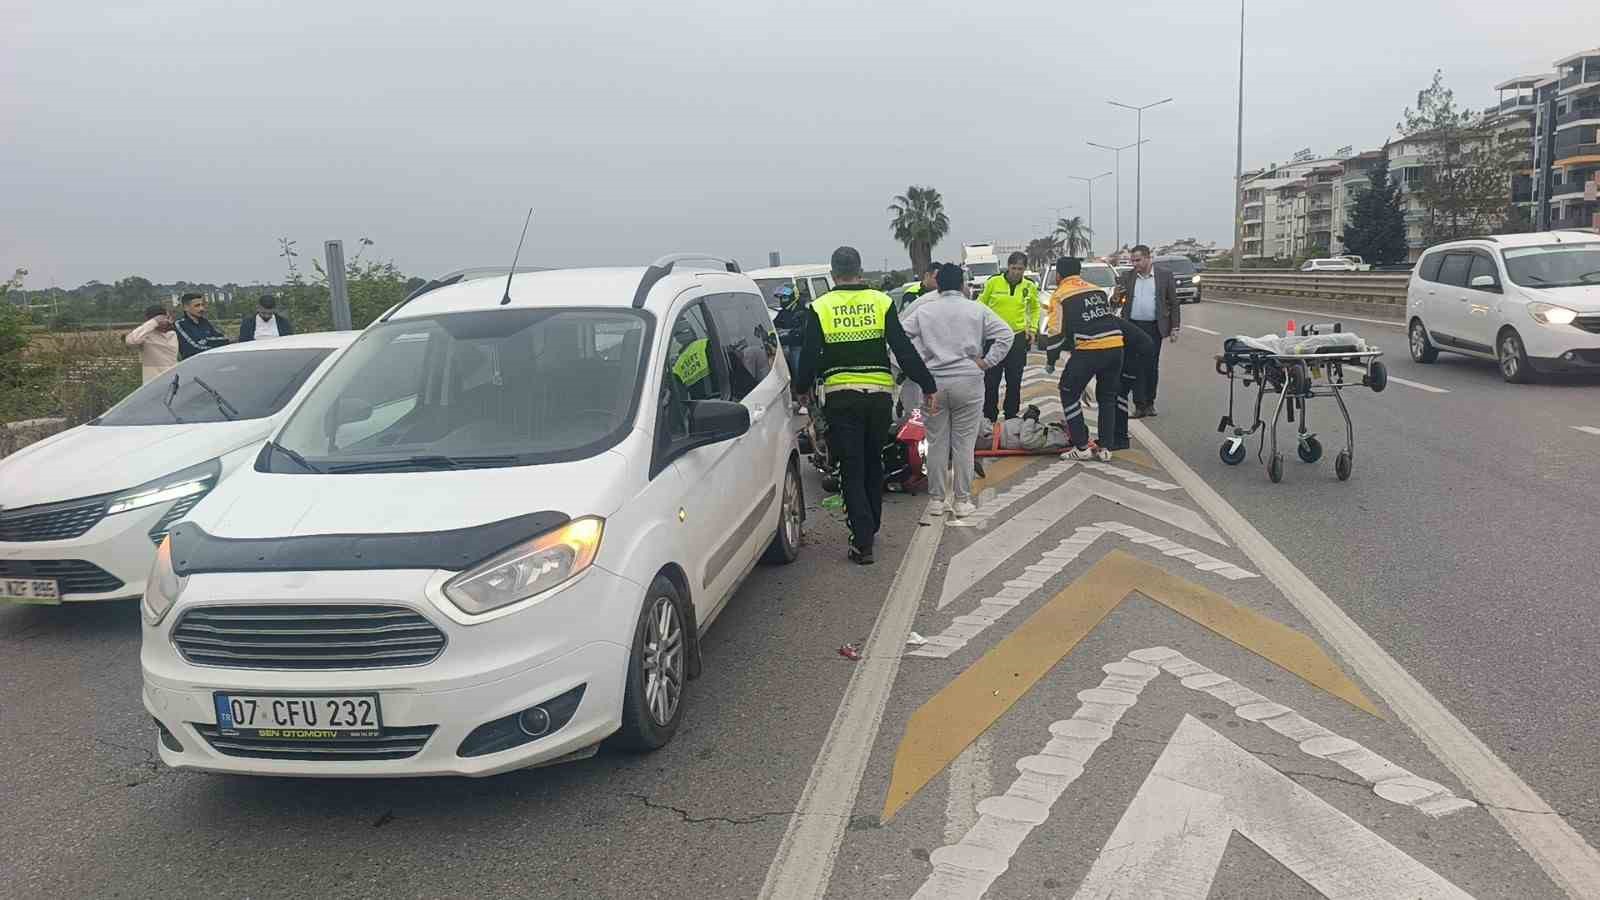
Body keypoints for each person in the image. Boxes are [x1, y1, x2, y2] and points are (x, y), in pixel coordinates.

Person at [797, 246, 938, 565]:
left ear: (833, 274)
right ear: (860, 271)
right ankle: (870, 525)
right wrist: (928, 385)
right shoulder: (881, 301)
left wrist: (801, 390)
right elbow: (903, 350)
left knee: (851, 467)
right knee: (874, 461)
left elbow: (808, 356)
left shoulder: (820, 307)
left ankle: (862, 541)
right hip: (878, 398)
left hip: (841, 397)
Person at [900, 263, 1012, 519]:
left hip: (934, 384)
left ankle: (937, 500)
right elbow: (1005, 335)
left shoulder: (924, 311)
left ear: (937, 284)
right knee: (964, 443)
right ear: (962, 284)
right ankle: (962, 501)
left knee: (937, 442)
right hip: (969, 381)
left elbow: (899, 338)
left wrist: (918, 365)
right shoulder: (977, 309)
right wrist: (986, 362)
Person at [1051, 257, 1122, 461]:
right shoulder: (1097, 290)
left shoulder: (1060, 294)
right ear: (1079, 272)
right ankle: (1106, 448)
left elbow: (1056, 333)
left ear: (1058, 275)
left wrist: (1050, 359)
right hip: (1116, 346)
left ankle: (1082, 447)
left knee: (1068, 391)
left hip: (1090, 349)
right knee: (1107, 397)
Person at [1118, 245, 1180, 417]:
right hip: (1133, 327)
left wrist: (1175, 327)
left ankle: (1150, 403)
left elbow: (1174, 303)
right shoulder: (1128, 277)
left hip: (1154, 327)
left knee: (1151, 366)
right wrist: (1117, 296)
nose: (1135, 264)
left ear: (1147, 258)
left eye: (1137, 260)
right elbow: (1117, 301)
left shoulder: (1164, 275)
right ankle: (1139, 405)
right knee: (1134, 366)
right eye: (1133, 260)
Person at [977, 251, 1038, 421]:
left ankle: (1011, 415)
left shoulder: (1029, 286)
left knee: (1014, 380)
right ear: (1008, 267)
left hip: (1017, 339)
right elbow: (980, 306)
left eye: (1020, 269)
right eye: (1014, 268)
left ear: (1025, 269)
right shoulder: (993, 282)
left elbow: (1035, 308)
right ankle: (989, 416)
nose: (1017, 272)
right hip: (994, 339)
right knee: (991, 380)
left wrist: (1032, 329)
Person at [125, 304, 178, 383]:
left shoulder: (172, 334)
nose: (166, 321)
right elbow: (130, 341)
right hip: (153, 383)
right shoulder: (146, 336)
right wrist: (154, 322)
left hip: (173, 380)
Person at [172, 292, 229, 360]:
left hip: (212, 361)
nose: (201, 308)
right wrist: (213, 344)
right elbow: (194, 348)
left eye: (202, 305)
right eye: (197, 306)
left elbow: (224, 339)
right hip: (193, 365)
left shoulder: (205, 322)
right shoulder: (180, 324)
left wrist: (206, 341)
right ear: (186, 308)